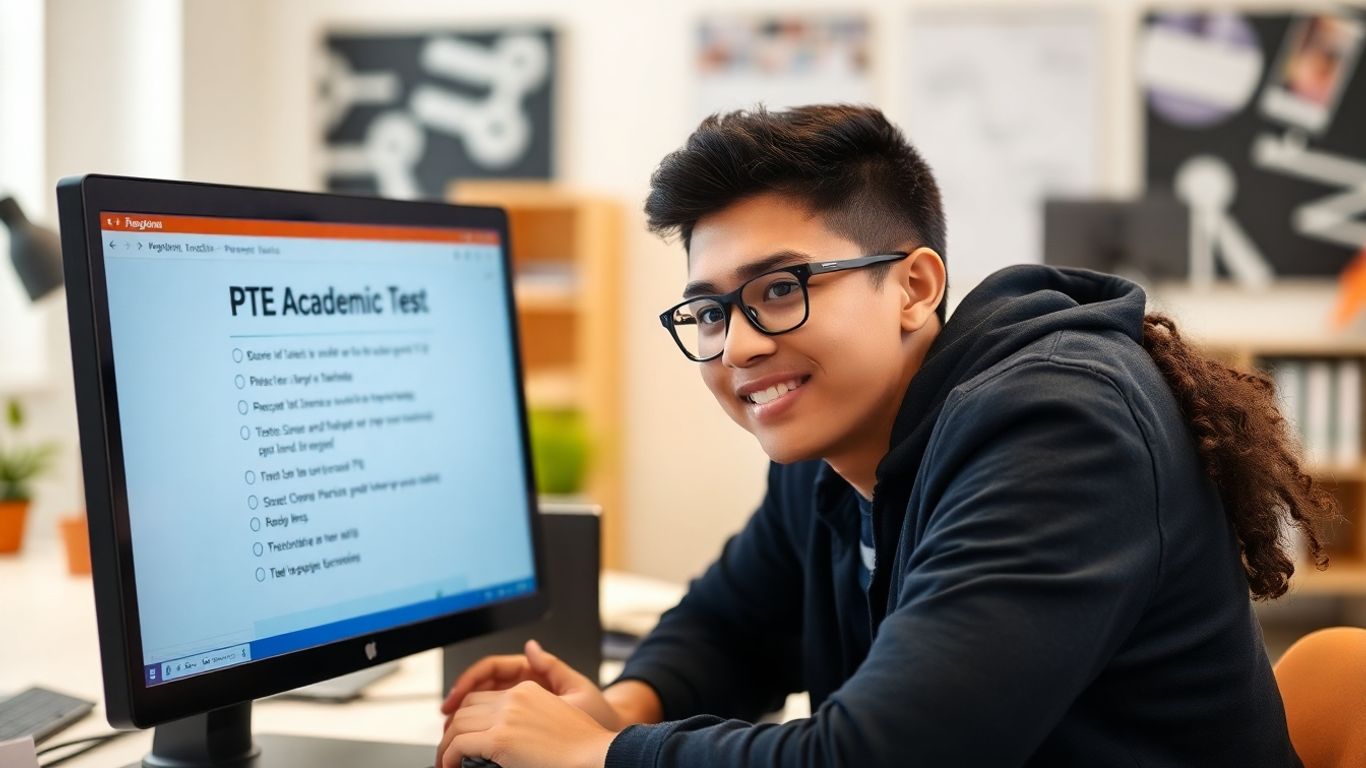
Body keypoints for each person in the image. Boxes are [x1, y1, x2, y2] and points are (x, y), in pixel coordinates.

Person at [435, 104, 1337, 768]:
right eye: (708, 310)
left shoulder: (1059, 428)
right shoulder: (834, 438)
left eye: (781, 289)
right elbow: (735, 623)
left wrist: (600, 757)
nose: (739, 344)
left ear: (913, 287)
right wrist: (618, 706)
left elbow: (884, 758)